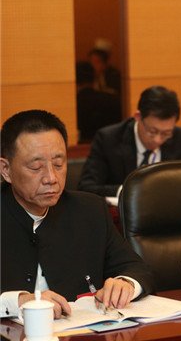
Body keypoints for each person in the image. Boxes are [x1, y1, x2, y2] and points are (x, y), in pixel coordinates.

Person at [1, 110, 154, 319]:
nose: (51, 178)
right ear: (6, 170)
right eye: (36, 167)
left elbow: (137, 269)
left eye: (58, 164)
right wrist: (17, 301)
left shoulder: (89, 210)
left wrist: (125, 283)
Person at [78, 85, 181, 197]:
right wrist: (128, 192)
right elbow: (86, 187)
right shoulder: (108, 139)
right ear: (138, 117)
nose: (157, 140)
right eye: (152, 131)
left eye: (166, 133)